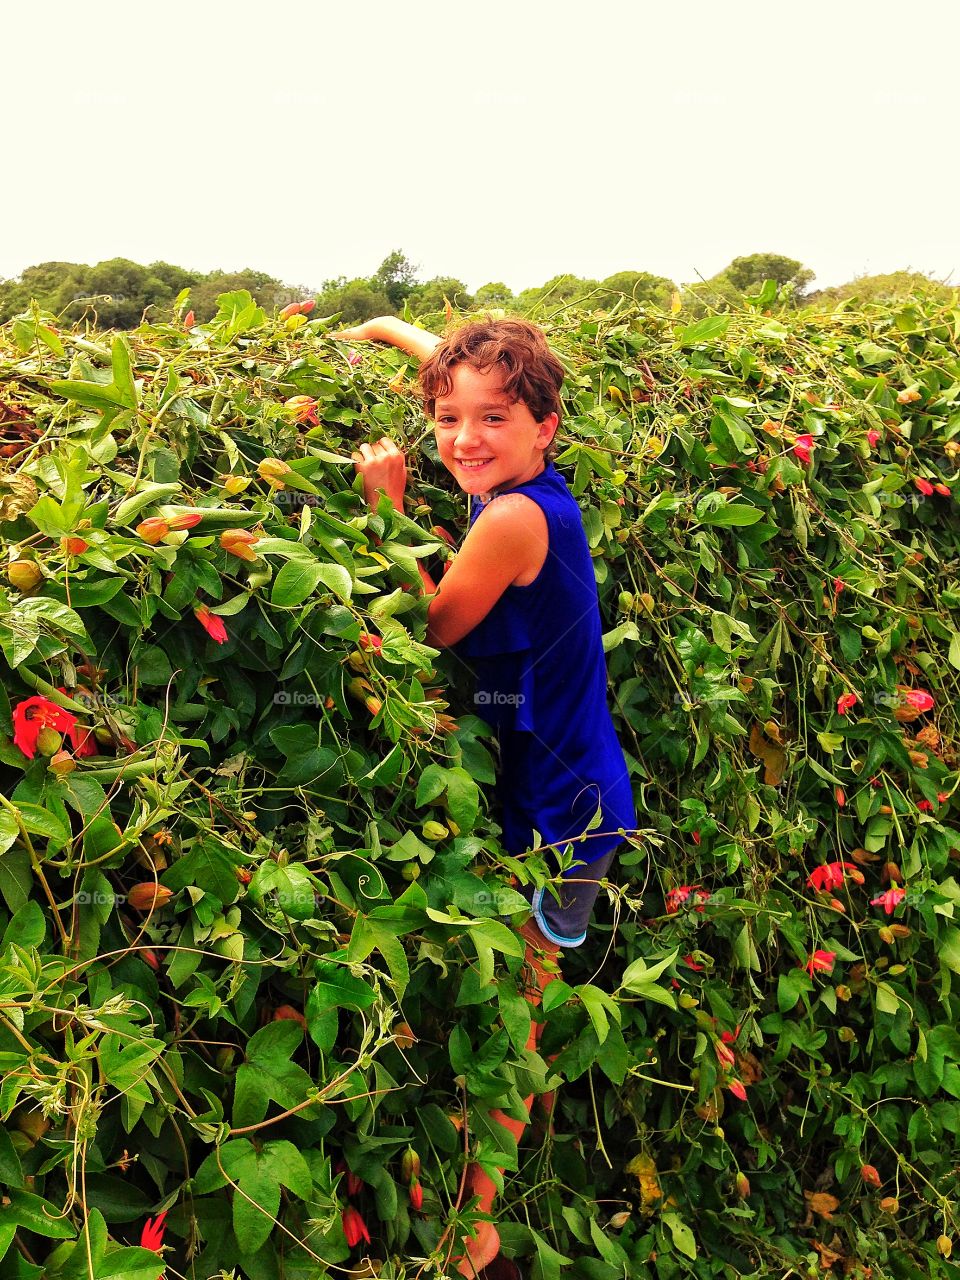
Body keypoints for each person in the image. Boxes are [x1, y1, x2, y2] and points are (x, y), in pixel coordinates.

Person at [336, 315, 636, 1278]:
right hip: (560, 775)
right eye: (448, 418)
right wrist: (375, 328)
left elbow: (432, 625)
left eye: (494, 418)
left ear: (545, 425)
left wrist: (384, 510)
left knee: (521, 997)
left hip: (569, 808)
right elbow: (452, 367)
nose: (465, 437)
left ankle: (478, 1231)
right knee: (520, 983)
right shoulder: (510, 480)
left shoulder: (512, 518)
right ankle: (496, 1183)